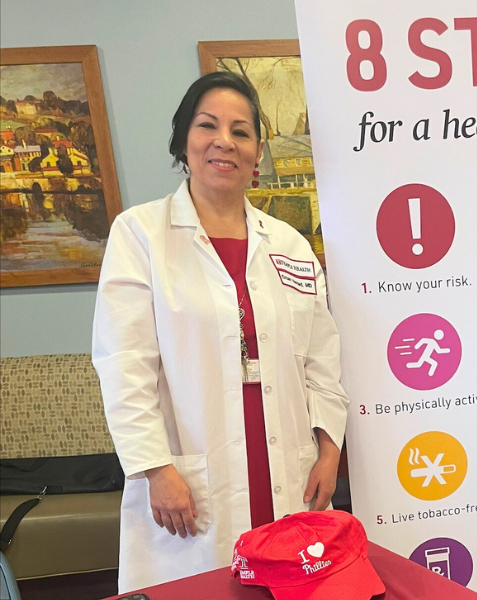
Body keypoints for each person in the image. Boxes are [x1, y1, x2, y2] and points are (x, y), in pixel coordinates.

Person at [92, 72, 349, 592]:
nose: (224, 141)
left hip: (284, 455)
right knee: (204, 586)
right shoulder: (141, 234)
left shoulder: (290, 243)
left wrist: (328, 445)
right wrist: (156, 470)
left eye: (242, 130)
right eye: (207, 125)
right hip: (190, 464)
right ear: (183, 140)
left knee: (283, 582)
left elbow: (321, 356)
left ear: (257, 152)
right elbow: (124, 363)